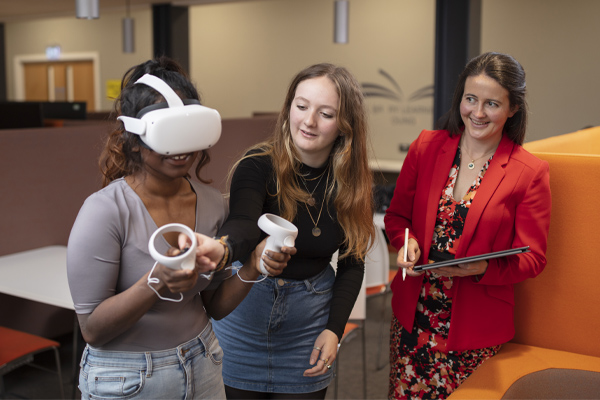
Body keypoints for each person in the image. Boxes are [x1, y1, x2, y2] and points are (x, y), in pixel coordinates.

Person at [66, 57, 294, 400]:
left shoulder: (213, 203)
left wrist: (253, 266)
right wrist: (156, 281)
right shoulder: (104, 211)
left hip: (203, 361)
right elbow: (93, 330)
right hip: (127, 379)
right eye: (168, 131)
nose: (182, 148)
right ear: (134, 136)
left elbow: (214, 304)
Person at [384, 51, 552, 399]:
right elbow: (396, 217)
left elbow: (533, 258)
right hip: (413, 318)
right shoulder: (426, 147)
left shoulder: (529, 172)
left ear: (513, 109)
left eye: (491, 103)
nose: (477, 113)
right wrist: (406, 242)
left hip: (474, 328)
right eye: (470, 99)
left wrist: (483, 268)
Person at [211, 63, 376, 399]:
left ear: (345, 125)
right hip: (244, 320)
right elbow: (242, 224)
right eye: (301, 107)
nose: (309, 121)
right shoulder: (256, 165)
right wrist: (223, 249)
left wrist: (334, 330)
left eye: (325, 113)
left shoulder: (351, 184)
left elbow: (352, 262)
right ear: (288, 109)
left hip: (308, 326)